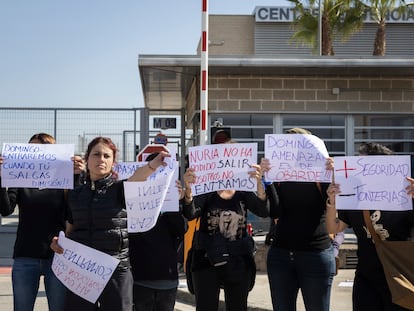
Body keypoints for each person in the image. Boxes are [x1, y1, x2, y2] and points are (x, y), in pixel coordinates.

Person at [50, 136, 170, 311]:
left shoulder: (120, 189)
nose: (101, 159)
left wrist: (153, 165)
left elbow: (138, 178)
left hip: (115, 269)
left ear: (113, 162)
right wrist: (58, 243)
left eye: (107, 156)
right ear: (87, 159)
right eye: (96, 154)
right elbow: (70, 229)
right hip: (81, 271)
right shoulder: (75, 194)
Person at [0, 132, 85, 311]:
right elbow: (6, 209)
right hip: (25, 256)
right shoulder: (20, 178)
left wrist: (77, 177)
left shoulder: (63, 179)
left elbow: (74, 214)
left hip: (58, 256)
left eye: (40, 149)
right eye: (30, 149)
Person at [326, 142, 414, 311]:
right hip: (366, 278)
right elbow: (333, 229)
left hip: (400, 276)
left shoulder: (405, 197)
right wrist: (332, 202)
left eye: (364, 166)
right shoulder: (355, 198)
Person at [181, 152, 269, 311]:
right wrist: (188, 191)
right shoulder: (207, 189)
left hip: (238, 259)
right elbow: (190, 213)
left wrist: (259, 185)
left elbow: (263, 211)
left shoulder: (243, 190)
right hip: (207, 259)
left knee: (238, 306)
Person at [262, 127, 336, 311]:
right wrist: (267, 179)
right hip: (280, 255)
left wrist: (334, 175)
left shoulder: (321, 174)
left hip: (315, 255)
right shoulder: (279, 175)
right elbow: (275, 212)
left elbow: (337, 209)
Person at [129, 152, 187, 311]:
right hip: (140, 279)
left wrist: (176, 203)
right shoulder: (132, 203)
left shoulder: (171, 205)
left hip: (166, 280)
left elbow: (181, 230)